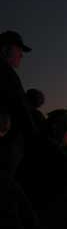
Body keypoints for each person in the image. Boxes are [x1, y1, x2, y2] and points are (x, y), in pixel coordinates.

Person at [0, 30, 36, 178]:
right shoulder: (5, 73)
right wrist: (34, 138)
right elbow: (20, 108)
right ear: (5, 49)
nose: (21, 55)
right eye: (19, 50)